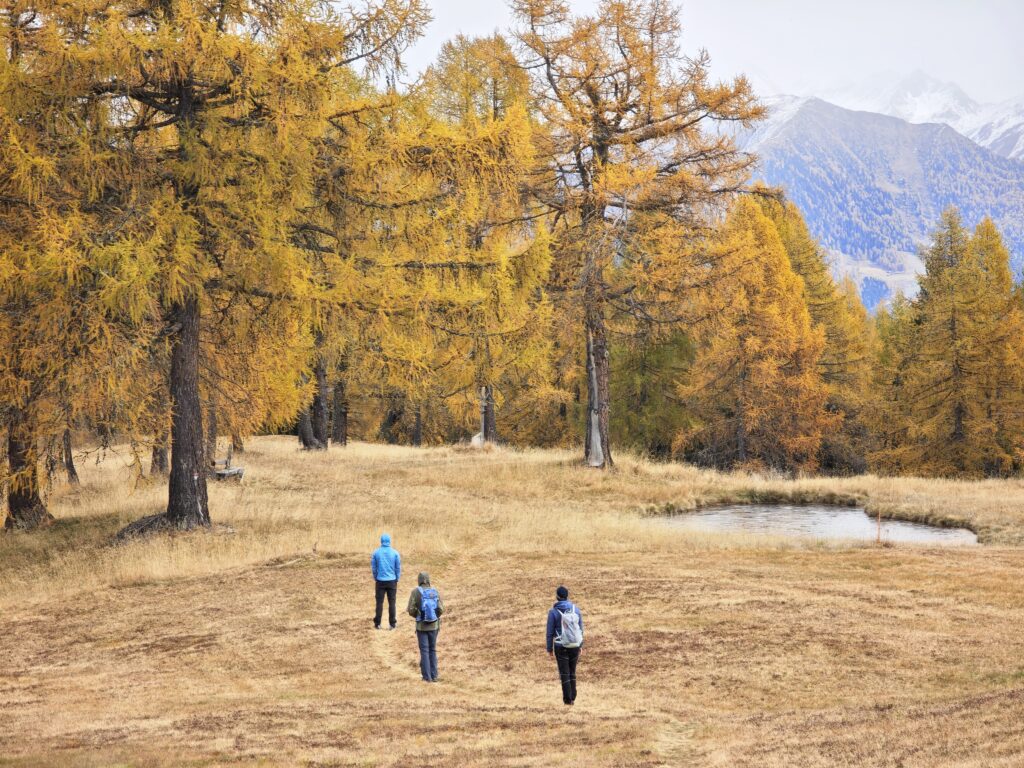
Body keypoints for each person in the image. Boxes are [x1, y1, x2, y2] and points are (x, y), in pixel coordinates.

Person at [546, 585, 583, 705]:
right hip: (575, 645)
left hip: (560, 645)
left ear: (557, 597)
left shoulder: (553, 612)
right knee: (572, 671)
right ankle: (573, 696)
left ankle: (568, 700)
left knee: (564, 673)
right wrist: (580, 645)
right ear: (567, 596)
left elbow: (550, 632)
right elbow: (580, 629)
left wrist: (549, 648)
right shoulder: (576, 609)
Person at [407, 572, 444, 682]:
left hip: (421, 627)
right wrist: (434, 617)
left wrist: (418, 615)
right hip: (434, 626)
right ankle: (434, 675)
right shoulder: (435, 591)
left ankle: (427, 677)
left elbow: (410, 609)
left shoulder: (415, 592)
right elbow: (441, 609)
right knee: (432, 650)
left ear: (419, 580)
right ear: (428, 580)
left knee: (424, 651)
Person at [371, 533, 401, 630]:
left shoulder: (376, 553)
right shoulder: (395, 553)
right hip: (392, 580)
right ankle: (392, 624)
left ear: (381, 541)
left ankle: (377, 623)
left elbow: (374, 567)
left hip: (380, 581)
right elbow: (398, 567)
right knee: (392, 603)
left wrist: (376, 577)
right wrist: (397, 578)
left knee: (379, 603)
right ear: (389, 541)